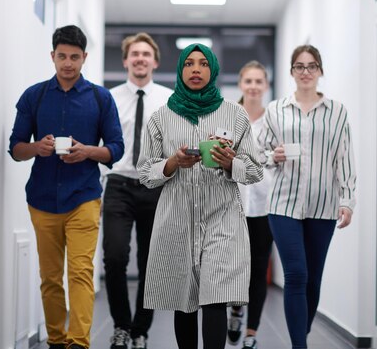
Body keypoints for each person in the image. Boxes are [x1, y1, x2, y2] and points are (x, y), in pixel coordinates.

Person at [137, 43, 263, 349]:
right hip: (177, 216)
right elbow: (144, 172)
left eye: (203, 64)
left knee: (215, 297)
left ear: (213, 70)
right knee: (185, 299)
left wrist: (229, 161)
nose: (196, 69)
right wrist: (173, 162)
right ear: (180, 70)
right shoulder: (160, 117)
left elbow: (255, 170)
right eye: (189, 64)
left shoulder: (235, 114)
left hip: (222, 216)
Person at [8, 25, 124, 349]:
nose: (68, 63)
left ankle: (79, 343)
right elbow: (16, 148)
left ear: (84, 57)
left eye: (75, 57)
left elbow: (116, 147)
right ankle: (56, 341)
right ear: (52, 56)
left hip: (84, 197)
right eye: (62, 56)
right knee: (49, 278)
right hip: (42, 199)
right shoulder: (34, 96)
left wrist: (87, 151)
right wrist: (37, 148)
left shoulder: (101, 98)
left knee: (80, 273)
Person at [260, 44, 356, 349]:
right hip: (283, 205)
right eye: (299, 66)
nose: (305, 72)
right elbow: (258, 152)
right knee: (297, 274)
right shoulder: (275, 109)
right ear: (291, 72)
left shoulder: (337, 111)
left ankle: (301, 328)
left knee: (313, 280)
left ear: (320, 71)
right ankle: (299, 345)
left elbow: (345, 157)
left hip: (323, 205)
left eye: (311, 66)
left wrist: (347, 200)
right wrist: (271, 156)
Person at [102, 32, 173, 349]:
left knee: (152, 262)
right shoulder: (110, 98)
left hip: (155, 186)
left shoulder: (170, 99)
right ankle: (121, 325)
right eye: (135, 54)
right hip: (118, 184)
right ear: (126, 61)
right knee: (115, 257)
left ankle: (141, 329)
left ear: (155, 61)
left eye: (146, 54)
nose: (140, 59)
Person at [227, 61, 274, 349]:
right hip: (232, 204)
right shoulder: (230, 117)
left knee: (258, 268)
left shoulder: (275, 120)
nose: (254, 87)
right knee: (232, 267)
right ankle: (235, 307)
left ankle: (251, 334)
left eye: (259, 81)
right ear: (241, 85)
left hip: (265, 205)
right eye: (249, 81)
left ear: (266, 85)